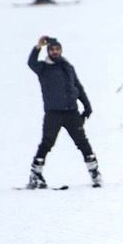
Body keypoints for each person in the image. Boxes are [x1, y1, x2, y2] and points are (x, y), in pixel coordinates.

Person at [26, 35, 101, 188]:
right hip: (53, 113)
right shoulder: (43, 68)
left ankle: (94, 172)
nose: (55, 52)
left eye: (57, 49)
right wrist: (38, 47)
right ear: (48, 52)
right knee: (47, 143)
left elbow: (78, 87)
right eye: (52, 50)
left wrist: (87, 106)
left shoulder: (67, 66)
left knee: (82, 142)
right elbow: (31, 63)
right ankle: (35, 174)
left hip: (71, 112)